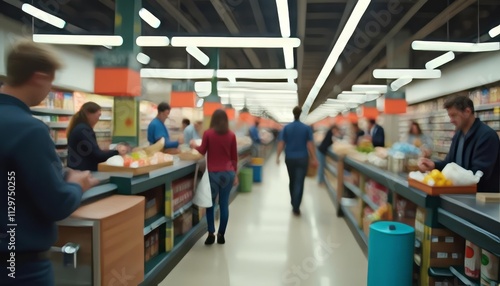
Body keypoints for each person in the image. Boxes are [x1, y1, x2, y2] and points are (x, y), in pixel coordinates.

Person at [0, 40, 99, 285]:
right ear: (39, 77)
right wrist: (78, 184)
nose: (50, 88)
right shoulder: (29, 129)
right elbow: (57, 204)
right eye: (51, 81)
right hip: (19, 267)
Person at [419, 96, 500, 192]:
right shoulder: (458, 135)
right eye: (450, 116)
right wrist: (434, 165)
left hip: (480, 199)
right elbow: (450, 163)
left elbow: (478, 175)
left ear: (467, 112)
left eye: (454, 115)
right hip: (461, 195)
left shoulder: (486, 136)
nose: (451, 120)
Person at [191, 109, 238, 245]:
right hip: (227, 174)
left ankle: (211, 233)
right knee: (224, 204)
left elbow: (202, 151)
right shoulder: (231, 135)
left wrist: (194, 145)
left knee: (210, 204)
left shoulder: (208, 134)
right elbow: (234, 157)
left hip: (213, 174)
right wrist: (235, 175)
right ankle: (221, 234)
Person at [276, 106, 318, 215]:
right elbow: (309, 144)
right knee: (300, 181)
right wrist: (314, 158)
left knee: (292, 180)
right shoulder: (306, 128)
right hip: (302, 158)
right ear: (300, 114)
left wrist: (277, 156)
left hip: (289, 158)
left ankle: (293, 202)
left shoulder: (287, 128)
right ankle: (296, 205)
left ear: (293, 113)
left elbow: (281, 143)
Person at [67, 102, 128, 171]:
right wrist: (117, 152)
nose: (98, 119)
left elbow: (91, 152)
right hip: (82, 172)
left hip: (77, 170)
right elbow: (98, 156)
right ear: (88, 114)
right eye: (98, 115)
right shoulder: (84, 130)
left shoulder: (80, 127)